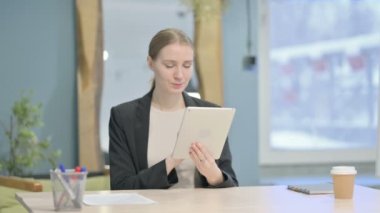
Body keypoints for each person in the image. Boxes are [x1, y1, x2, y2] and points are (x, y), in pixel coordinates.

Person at [109, 28, 238, 190]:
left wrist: (214, 174)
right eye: (170, 65)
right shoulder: (124, 117)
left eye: (187, 65)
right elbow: (121, 186)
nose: (179, 75)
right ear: (150, 63)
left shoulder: (211, 113)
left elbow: (231, 185)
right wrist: (170, 162)